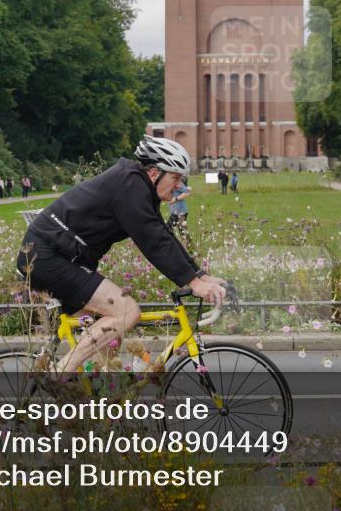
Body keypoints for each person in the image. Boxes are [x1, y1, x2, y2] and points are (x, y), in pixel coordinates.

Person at [16, 136, 227, 375]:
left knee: (108, 339)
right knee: (126, 312)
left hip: (60, 256)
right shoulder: (129, 186)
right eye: (175, 178)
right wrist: (194, 283)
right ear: (156, 173)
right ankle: (60, 374)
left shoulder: (137, 187)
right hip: (46, 256)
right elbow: (152, 241)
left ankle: (88, 400)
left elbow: (163, 236)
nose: (179, 185)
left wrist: (201, 276)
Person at [167, 175, 192, 244]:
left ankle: (190, 250)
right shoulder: (170, 182)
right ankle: (191, 251)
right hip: (176, 211)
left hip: (179, 212)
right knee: (183, 232)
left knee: (167, 229)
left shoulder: (177, 182)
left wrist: (176, 199)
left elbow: (187, 192)